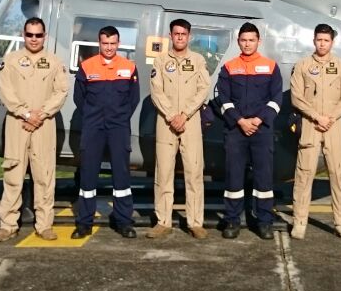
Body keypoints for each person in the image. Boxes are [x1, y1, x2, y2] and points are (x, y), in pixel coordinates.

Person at [0, 17, 69, 242]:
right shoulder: (11, 60)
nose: (34, 39)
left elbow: (61, 92)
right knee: (13, 174)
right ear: (23, 34)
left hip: (44, 124)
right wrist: (26, 114)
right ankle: (8, 225)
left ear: (44, 36)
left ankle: (44, 225)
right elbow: (6, 91)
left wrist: (41, 114)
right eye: (29, 35)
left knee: (44, 175)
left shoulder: (55, 62)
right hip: (18, 123)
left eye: (38, 35)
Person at [215, 22, 283, 240]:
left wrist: (258, 120)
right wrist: (240, 121)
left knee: (263, 178)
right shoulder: (229, 67)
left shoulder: (271, 67)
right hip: (236, 130)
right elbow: (223, 99)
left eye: (251, 40)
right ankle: (232, 221)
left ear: (258, 41)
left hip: (261, 130)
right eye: (243, 40)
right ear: (238, 42)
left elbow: (276, 100)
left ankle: (264, 222)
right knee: (233, 178)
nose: (247, 44)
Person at [290, 24, 341, 240]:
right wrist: (317, 117)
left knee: (337, 175)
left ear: (332, 42)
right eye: (319, 40)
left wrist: (330, 117)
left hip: (333, 125)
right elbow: (296, 97)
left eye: (326, 40)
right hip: (311, 124)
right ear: (314, 40)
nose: (322, 44)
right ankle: (299, 222)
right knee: (304, 175)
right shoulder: (303, 65)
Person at [73, 25, 140, 238]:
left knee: (121, 175)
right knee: (88, 175)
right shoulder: (87, 66)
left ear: (118, 44)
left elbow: (133, 99)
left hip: (118, 128)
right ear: (99, 43)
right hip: (93, 128)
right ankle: (84, 222)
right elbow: (79, 98)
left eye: (112, 44)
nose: (109, 47)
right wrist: (93, 117)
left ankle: (123, 221)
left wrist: (119, 118)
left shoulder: (129, 67)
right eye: (105, 43)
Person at [147, 18, 212, 239]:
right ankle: (163, 221)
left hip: (190, 122)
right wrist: (171, 115)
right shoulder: (161, 61)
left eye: (184, 34)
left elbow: (203, 89)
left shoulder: (198, 60)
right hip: (166, 123)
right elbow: (156, 91)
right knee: (164, 172)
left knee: (194, 173)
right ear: (170, 36)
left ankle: (195, 222)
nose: (180, 37)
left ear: (189, 36)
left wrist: (184, 114)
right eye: (176, 34)